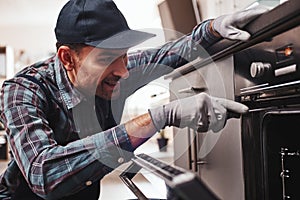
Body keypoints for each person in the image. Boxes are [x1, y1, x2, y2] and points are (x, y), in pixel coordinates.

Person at [0, 0, 267, 199]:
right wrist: (158, 118)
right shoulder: (22, 91)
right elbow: (44, 174)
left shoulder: (114, 70)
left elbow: (168, 54)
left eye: (125, 55)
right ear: (68, 58)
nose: (124, 71)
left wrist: (214, 28)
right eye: (106, 59)